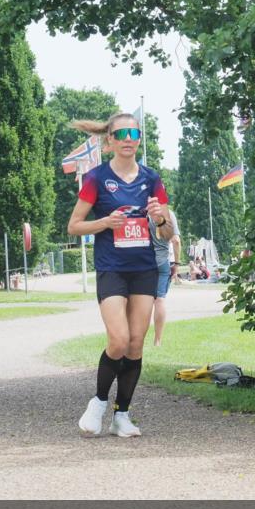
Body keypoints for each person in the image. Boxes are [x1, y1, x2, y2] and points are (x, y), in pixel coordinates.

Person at [67, 111, 174, 438]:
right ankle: (98, 402)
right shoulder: (97, 179)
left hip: (143, 268)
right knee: (119, 339)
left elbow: (168, 234)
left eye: (134, 133)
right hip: (112, 268)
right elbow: (73, 226)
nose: (129, 138)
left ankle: (122, 415)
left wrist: (159, 219)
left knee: (136, 344)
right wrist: (104, 223)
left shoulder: (151, 178)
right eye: (122, 134)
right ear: (110, 140)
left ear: (139, 140)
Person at [150, 207, 181, 346]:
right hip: (162, 262)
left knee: (142, 301)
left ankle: (137, 337)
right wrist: (177, 263)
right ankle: (157, 340)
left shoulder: (143, 213)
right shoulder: (169, 214)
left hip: (145, 262)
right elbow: (176, 241)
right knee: (160, 300)